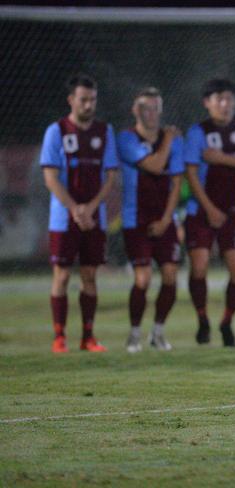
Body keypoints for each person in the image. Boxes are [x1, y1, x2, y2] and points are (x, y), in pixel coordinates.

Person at [40, 74, 118, 353]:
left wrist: (90, 209)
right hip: (63, 218)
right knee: (61, 275)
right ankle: (59, 337)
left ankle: (88, 337)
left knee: (89, 276)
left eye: (92, 100)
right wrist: (75, 210)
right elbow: (50, 178)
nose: (88, 105)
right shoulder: (56, 131)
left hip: (94, 218)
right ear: (71, 100)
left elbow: (110, 177)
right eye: (83, 99)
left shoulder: (104, 131)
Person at [184, 78, 235, 346]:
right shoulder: (197, 132)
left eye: (229, 98)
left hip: (234, 211)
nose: (225, 104)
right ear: (207, 103)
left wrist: (222, 158)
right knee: (199, 267)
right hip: (201, 211)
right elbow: (192, 174)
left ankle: (227, 321)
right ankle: (202, 319)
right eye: (219, 99)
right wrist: (209, 209)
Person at [117, 87, 184, 352]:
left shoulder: (176, 142)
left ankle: (157, 332)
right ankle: (134, 334)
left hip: (164, 220)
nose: (152, 113)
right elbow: (155, 166)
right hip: (136, 220)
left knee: (170, 277)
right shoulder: (126, 138)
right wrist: (167, 138)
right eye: (146, 107)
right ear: (135, 110)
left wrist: (168, 219)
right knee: (142, 279)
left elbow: (176, 182)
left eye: (156, 107)